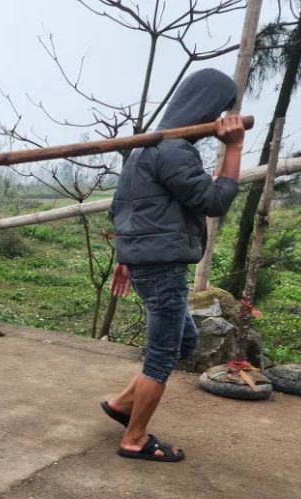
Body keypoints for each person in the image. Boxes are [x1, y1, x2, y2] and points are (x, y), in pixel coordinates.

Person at [102, 68, 246, 461]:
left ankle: (120, 405)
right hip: (163, 267)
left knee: (185, 341)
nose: (221, 119)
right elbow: (214, 201)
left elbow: (125, 209)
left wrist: (125, 258)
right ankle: (134, 438)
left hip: (151, 263)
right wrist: (233, 148)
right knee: (162, 355)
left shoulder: (146, 149)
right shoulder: (173, 151)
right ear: (206, 109)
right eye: (220, 111)